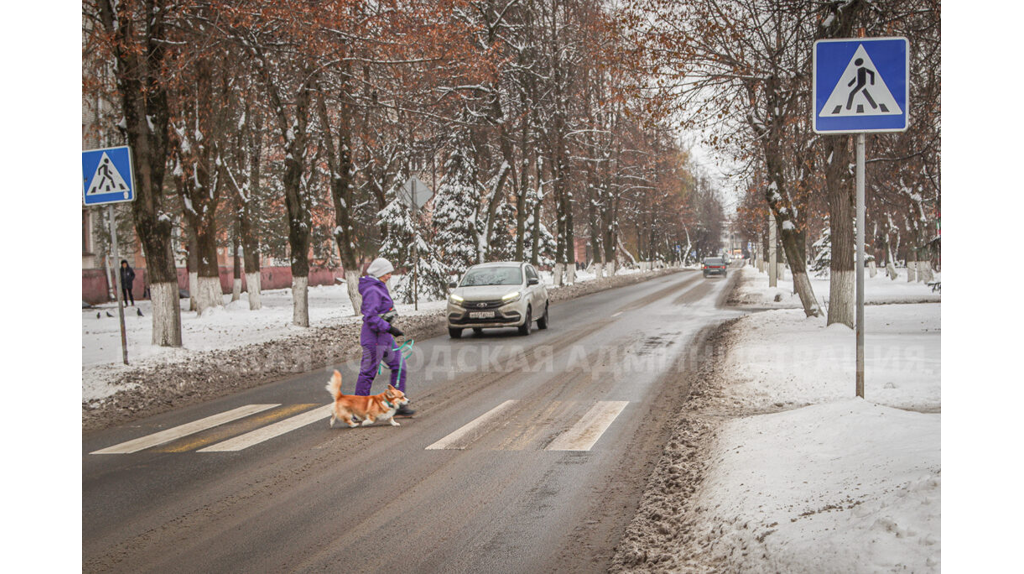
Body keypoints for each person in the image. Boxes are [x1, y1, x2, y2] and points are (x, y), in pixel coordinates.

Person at [355, 257, 415, 416]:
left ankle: (397, 403)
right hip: (374, 338)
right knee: (368, 373)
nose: (389, 276)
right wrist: (390, 327)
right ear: (379, 272)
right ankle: (358, 409)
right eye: (387, 273)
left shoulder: (378, 286)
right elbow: (370, 317)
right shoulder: (372, 290)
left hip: (384, 337)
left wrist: (389, 329)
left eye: (390, 273)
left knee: (399, 366)